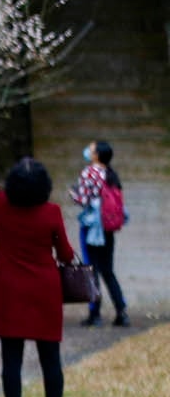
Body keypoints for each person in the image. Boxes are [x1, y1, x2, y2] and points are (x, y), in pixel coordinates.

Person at [0, 151, 75, 397]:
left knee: (11, 363)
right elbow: (66, 254)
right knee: (51, 361)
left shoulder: (0, 206)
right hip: (45, 291)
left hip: (10, 291)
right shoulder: (52, 212)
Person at [69, 140, 129, 327]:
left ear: (96, 155)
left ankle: (95, 314)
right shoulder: (111, 174)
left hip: (91, 227)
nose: (88, 150)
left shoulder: (89, 173)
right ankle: (121, 311)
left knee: (91, 270)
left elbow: (83, 200)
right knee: (108, 270)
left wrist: (72, 193)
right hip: (107, 228)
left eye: (91, 149)